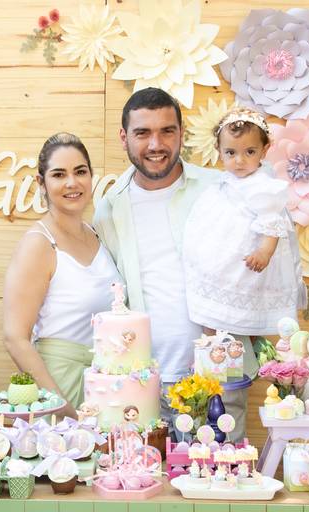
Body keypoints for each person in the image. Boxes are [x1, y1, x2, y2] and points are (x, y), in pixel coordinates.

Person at [92, 88, 257, 441]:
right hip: (140, 384)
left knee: (218, 487)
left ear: (181, 134)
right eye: (142, 133)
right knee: (140, 487)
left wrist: (241, 335)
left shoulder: (221, 190)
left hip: (217, 381)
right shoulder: (109, 209)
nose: (156, 144)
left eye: (167, 131)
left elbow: (259, 268)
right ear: (124, 138)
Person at [4, 132, 123, 419]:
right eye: (59, 174)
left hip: (105, 382)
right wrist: (61, 408)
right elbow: (14, 338)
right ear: (41, 182)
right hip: (60, 384)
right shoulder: (39, 243)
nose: (72, 182)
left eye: (80, 172)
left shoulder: (96, 234)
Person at [183, 107, 306, 338]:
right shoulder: (225, 180)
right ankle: (213, 348)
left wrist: (265, 252)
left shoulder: (263, 185)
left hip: (248, 258)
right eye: (231, 153)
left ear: (265, 150)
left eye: (249, 152)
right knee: (212, 312)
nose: (239, 161)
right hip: (223, 258)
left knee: (240, 310)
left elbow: (273, 220)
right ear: (219, 150)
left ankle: (235, 347)